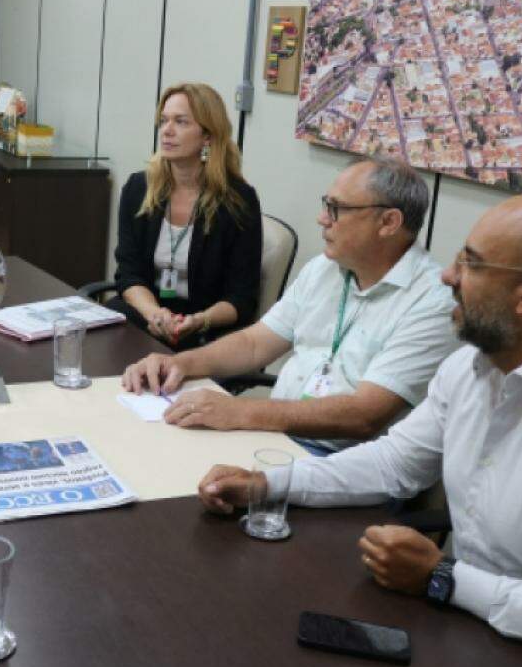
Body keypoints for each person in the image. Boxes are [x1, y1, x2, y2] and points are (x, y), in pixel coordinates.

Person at [197, 195, 522, 667]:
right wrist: (268, 485)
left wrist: (445, 578)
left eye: (470, 264)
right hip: (471, 632)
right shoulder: (470, 369)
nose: (447, 277)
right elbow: (393, 463)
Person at [123, 157, 458, 454]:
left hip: (343, 464)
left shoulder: (432, 302)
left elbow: (364, 416)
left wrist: (240, 412)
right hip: (278, 438)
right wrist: (180, 363)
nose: (322, 219)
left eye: (336, 209)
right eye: (326, 205)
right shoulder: (325, 268)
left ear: (388, 223)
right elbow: (254, 344)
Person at [109, 82, 262, 349]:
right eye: (164, 121)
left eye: (181, 122)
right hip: (144, 319)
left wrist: (198, 321)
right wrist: (155, 314)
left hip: (203, 332)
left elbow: (241, 298)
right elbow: (128, 273)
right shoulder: (139, 188)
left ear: (208, 136)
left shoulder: (238, 201)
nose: (166, 131)